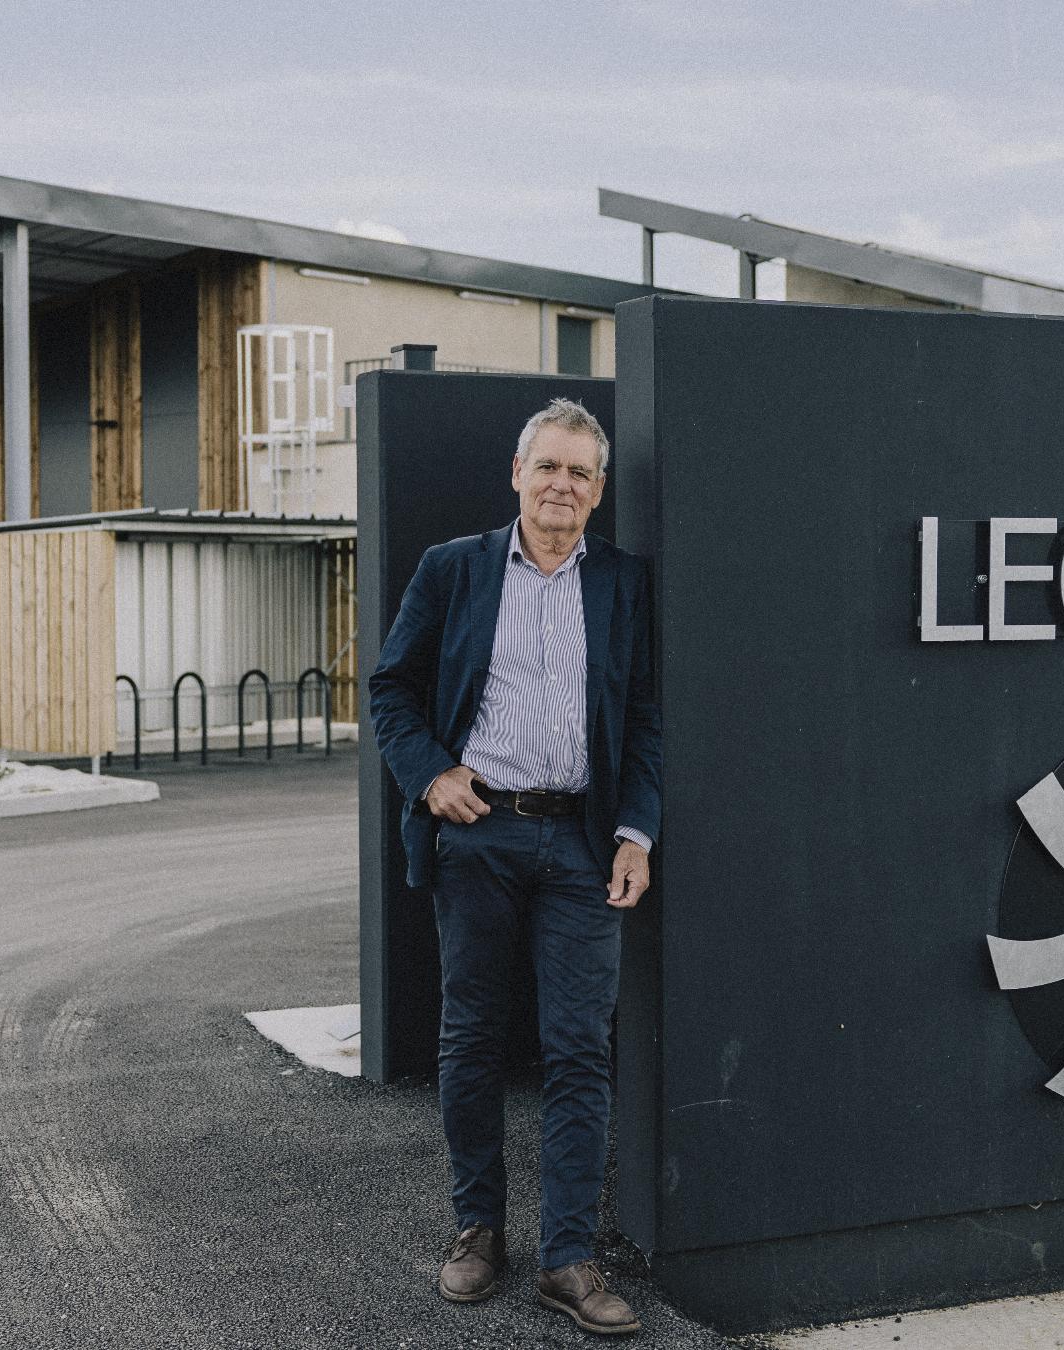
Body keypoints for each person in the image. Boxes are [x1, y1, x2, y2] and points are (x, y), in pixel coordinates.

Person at [368, 397, 662, 1336]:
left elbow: (644, 718)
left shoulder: (624, 582)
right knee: (472, 1038)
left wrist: (637, 832)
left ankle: (567, 1258)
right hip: (480, 835)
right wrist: (430, 775)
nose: (561, 486)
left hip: (583, 844)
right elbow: (391, 689)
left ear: (599, 490)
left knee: (579, 1048)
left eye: (580, 473)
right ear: (517, 475)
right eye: (548, 467)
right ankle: (478, 1231)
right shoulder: (453, 569)